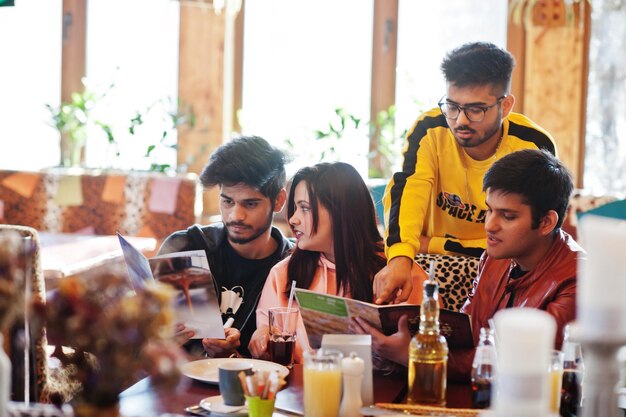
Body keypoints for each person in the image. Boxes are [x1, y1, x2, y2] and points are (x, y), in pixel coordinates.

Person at [358, 149, 583, 381]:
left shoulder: (577, 278)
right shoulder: (496, 256)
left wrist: (417, 355)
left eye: (507, 216)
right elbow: (466, 332)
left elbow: (527, 365)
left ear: (546, 222)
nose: (490, 225)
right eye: (489, 210)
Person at [374, 42, 557, 305]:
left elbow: (532, 239)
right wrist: (402, 256)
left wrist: (435, 243)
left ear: (505, 106)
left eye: (475, 109)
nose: (460, 120)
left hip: (502, 268)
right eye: (452, 106)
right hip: (427, 265)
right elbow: (409, 192)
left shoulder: (533, 146)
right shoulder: (429, 129)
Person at [248, 162, 428, 363]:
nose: (293, 219)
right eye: (295, 208)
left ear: (342, 212)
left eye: (305, 208)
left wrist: (406, 353)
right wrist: (261, 339)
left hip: (382, 393)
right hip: (299, 391)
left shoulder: (398, 274)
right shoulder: (283, 274)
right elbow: (267, 338)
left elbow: (436, 355)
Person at [158, 135, 294, 358]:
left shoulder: (293, 264)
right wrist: (159, 334)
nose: (235, 215)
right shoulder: (186, 247)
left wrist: (231, 357)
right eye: (227, 201)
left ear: (279, 201)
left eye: (250, 204)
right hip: (182, 384)